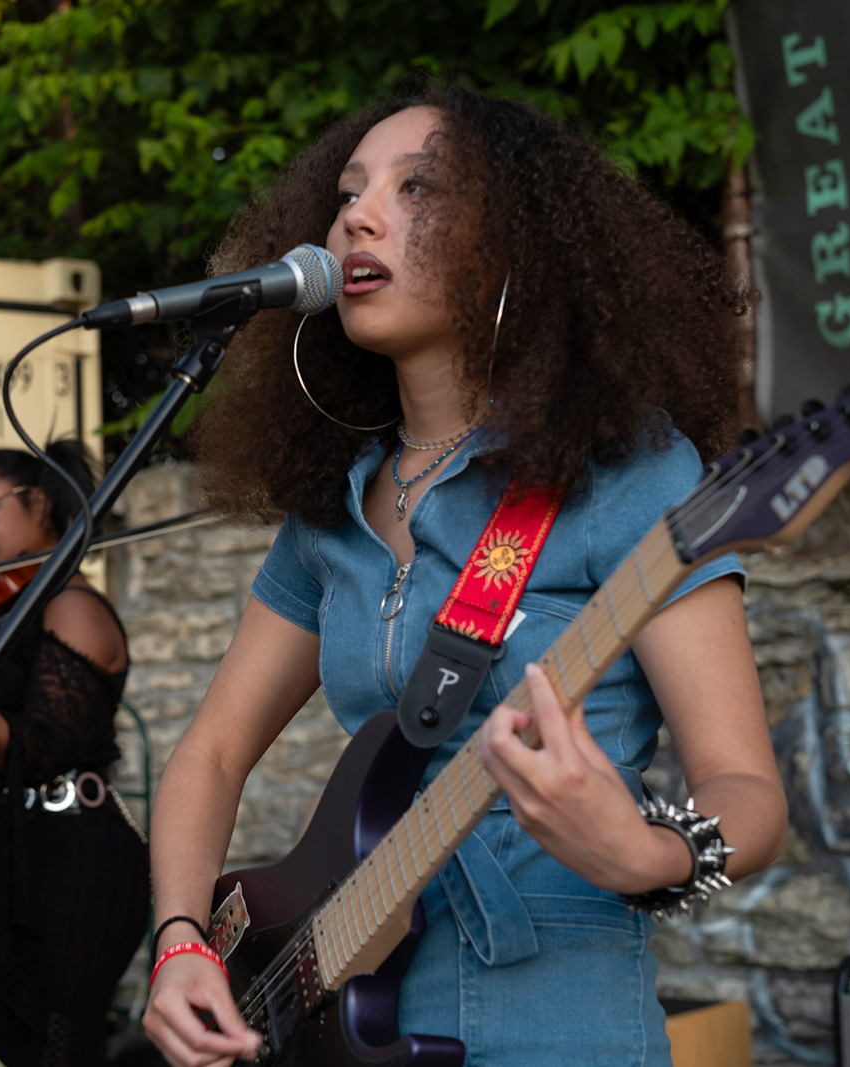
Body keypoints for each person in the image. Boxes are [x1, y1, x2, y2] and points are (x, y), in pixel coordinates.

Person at [142, 87, 788, 1067]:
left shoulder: (625, 478)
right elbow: (212, 750)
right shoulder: (335, 511)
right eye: (350, 190)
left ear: (513, 246)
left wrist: (649, 853)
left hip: (562, 1029)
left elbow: (746, 788)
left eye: (418, 190)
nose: (358, 213)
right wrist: (181, 941)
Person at [0, 443, 150, 1067]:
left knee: (60, 1043)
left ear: (39, 503)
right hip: (14, 851)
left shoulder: (71, 605)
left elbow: (36, 748)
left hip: (77, 854)